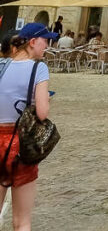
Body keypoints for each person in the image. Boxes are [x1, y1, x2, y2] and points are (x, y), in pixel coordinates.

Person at [0, 22, 55, 231]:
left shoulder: (1, 65)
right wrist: (47, 101)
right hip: (19, 145)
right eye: (45, 41)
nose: (47, 46)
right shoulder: (38, 68)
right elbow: (42, 113)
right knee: (22, 222)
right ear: (32, 42)